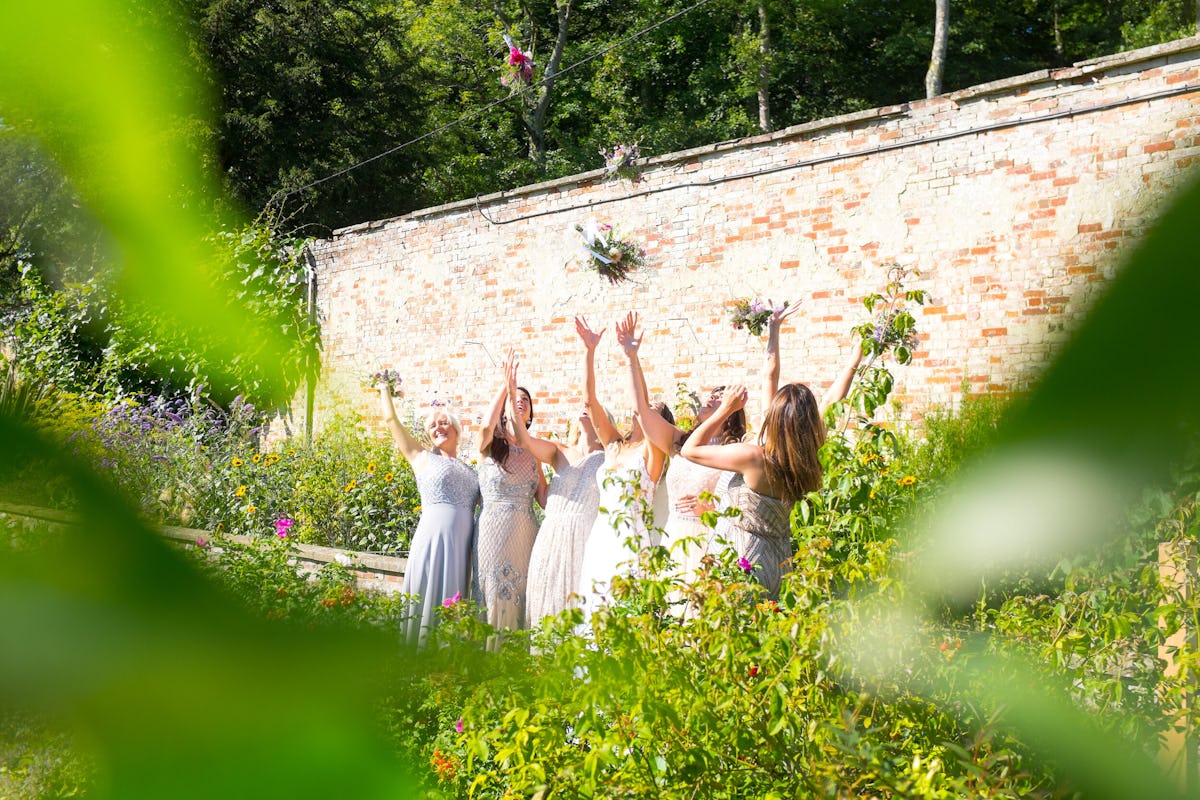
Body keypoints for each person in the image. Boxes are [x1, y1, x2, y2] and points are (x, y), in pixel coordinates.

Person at [574, 315, 672, 617]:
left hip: (630, 539)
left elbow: (641, 405)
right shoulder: (615, 445)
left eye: (654, 413)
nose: (643, 414)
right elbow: (589, 403)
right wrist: (589, 351)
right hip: (601, 535)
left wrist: (632, 357)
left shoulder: (653, 452)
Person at [505, 350, 605, 628]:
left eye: (592, 406)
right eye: (582, 406)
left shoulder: (611, 457)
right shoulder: (559, 451)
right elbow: (523, 439)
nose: (585, 407)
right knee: (545, 598)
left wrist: (589, 351)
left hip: (584, 537)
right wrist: (511, 394)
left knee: (574, 604)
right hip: (551, 534)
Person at [379, 384, 479, 646]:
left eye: (444, 422)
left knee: (453, 602)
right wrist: (383, 387)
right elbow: (391, 420)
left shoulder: (472, 471)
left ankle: (448, 668)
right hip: (432, 542)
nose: (438, 428)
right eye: (433, 425)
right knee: (426, 598)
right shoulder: (421, 457)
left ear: (457, 430)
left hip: (460, 549)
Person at [472, 351, 548, 636]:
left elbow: (543, 498)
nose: (521, 401)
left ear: (529, 414)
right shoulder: (489, 446)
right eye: (515, 399)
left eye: (525, 400)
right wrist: (506, 384)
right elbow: (484, 426)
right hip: (493, 531)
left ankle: (516, 663)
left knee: (522, 591)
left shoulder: (533, 454)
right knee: (492, 591)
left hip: (525, 531)